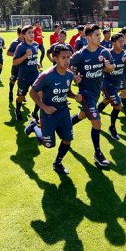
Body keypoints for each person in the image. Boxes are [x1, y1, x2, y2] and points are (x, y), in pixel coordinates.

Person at [25, 44, 82, 175]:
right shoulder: (46, 75)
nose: (67, 61)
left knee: (67, 139)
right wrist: (44, 107)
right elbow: (32, 92)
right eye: (63, 58)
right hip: (48, 115)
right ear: (55, 58)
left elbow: (66, 90)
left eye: (68, 57)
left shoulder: (69, 74)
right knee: (48, 144)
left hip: (63, 112)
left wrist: (74, 96)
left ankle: (58, 163)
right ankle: (34, 126)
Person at [70, 24, 115, 167]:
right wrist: (74, 76)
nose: (100, 37)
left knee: (82, 115)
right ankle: (98, 154)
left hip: (96, 93)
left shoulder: (105, 52)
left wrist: (109, 67)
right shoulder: (80, 54)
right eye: (97, 35)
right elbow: (64, 65)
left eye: (100, 34)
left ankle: (65, 126)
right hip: (85, 94)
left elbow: (112, 67)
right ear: (88, 37)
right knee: (97, 122)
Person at [97, 33, 126, 140]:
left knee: (106, 101)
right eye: (120, 42)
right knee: (118, 106)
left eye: (123, 41)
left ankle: (93, 115)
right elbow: (101, 69)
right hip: (108, 84)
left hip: (118, 83)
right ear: (114, 43)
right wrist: (107, 67)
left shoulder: (125, 53)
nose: (122, 43)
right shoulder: (107, 54)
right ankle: (112, 128)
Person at [13, 25, 41, 122]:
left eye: (32, 32)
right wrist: (25, 55)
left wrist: (37, 63)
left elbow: (33, 58)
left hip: (35, 75)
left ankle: (35, 113)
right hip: (24, 77)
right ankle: (17, 110)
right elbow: (15, 62)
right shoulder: (20, 47)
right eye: (29, 33)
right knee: (21, 96)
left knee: (40, 95)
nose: (32, 34)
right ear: (23, 35)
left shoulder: (36, 45)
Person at [6, 27, 24, 102]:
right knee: (13, 80)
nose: (23, 35)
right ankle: (10, 91)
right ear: (18, 34)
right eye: (21, 34)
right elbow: (8, 52)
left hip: (24, 67)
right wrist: (17, 54)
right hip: (16, 66)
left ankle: (20, 94)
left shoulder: (27, 42)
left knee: (21, 81)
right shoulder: (15, 43)